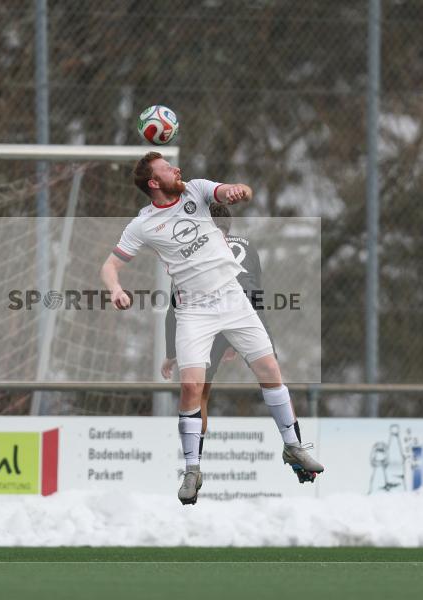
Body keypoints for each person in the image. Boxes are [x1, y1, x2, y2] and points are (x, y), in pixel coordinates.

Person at [100, 152, 323, 505]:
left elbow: (238, 191)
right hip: (194, 312)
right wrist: (114, 288)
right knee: (191, 387)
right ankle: (192, 470)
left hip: (233, 299)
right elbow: (110, 265)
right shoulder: (142, 224)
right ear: (154, 183)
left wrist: (238, 190)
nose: (176, 169)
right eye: (166, 169)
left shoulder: (197, 190)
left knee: (270, 371)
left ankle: (293, 448)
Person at [160, 203, 274, 438]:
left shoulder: (188, 252)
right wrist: (235, 339)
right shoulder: (248, 246)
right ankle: (293, 442)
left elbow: (175, 307)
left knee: (198, 392)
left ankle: (195, 461)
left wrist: (172, 352)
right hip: (247, 311)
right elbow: (255, 292)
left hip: (204, 316)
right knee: (273, 378)